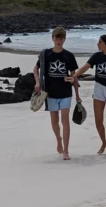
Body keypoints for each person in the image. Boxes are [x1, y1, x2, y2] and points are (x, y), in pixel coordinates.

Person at [71, 34, 106, 157]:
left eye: (100, 42)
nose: (98, 44)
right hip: (99, 89)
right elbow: (86, 67)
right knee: (98, 120)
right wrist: (74, 76)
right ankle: (104, 142)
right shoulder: (97, 56)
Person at [33, 26, 79, 161]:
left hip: (65, 92)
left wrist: (71, 80)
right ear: (53, 38)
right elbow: (36, 68)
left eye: (61, 38)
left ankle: (66, 150)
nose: (59, 40)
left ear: (64, 39)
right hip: (50, 92)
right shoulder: (45, 54)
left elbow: (73, 75)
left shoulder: (69, 55)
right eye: (57, 38)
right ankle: (58, 139)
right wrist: (37, 82)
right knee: (54, 121)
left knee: (65, 120)